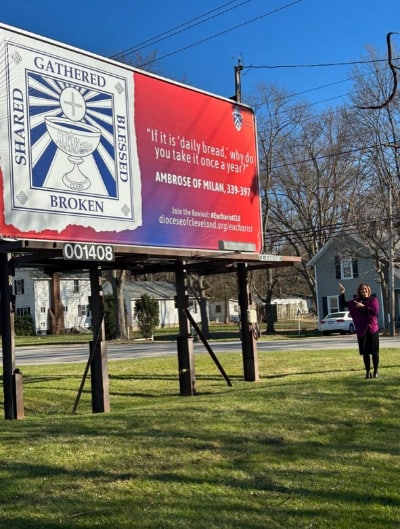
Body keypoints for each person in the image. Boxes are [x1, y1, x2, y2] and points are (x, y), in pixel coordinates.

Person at [339, 282, 380, 379]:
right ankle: (368, 371)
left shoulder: (373, 300)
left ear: (368, 290)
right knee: (365, 352)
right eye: (362, 290)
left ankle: (375, 371)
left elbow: (375, 311)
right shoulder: (356, 302)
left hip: (372, 329)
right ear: (360, 292)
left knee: (374, 352)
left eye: (365, 289)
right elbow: (344, 303)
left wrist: (363, 307)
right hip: (362, 330)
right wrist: (342, 293)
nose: (364, 291)